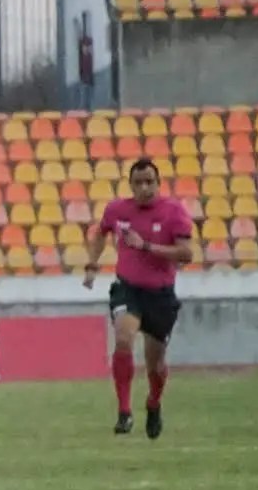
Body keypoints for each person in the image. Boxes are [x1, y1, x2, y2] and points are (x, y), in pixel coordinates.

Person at [83, 158, 193, 438]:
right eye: (138, 183)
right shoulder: (117, 210)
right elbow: (101, 233)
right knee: (123, 338)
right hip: (128, 288)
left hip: (160, 295)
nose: (145, 188)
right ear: (130, 185)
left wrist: (146, 246)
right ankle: (124, 411)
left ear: (158, 183)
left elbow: (186, 254)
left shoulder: (173, 211)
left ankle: (154, 403)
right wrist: (92, 264)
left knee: (155, 364)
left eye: (149, 182)